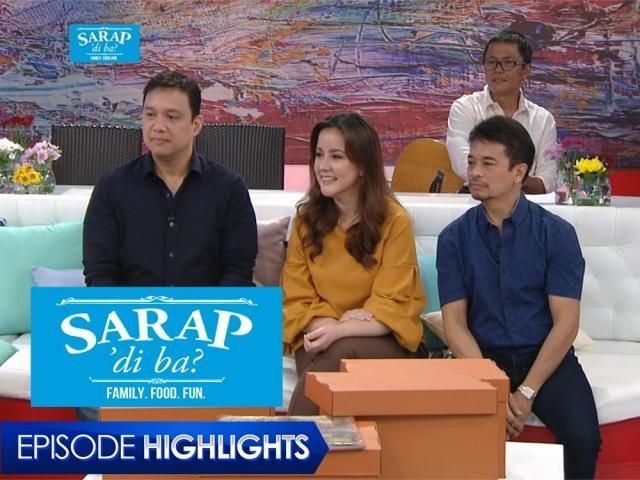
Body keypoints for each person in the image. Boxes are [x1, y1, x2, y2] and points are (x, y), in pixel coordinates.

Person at [437, 116, 600, 479]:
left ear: (518, 172)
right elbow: (455, 324)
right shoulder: (453, 239)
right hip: (481, 358)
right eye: (471, 162)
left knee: (583, 439)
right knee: (453, 437)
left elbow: (566, 323)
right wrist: (493, 388)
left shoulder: (556, 234)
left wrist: (526, 391)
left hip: (544, 358)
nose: (474, 173)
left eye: (487, 163)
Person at [282, 113, 425, 415]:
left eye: (336, 157)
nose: (322, 166)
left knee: (337, 353)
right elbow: (296, 297)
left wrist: (340, 331)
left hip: (382, 339)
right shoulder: (306, 221)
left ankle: (290, 443)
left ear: (362, 166)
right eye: (319, 155)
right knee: (324, 357)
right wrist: (331, 327)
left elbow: (393, 301)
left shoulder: (394, 221)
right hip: (319, 331)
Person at [83, 70, 258, 287]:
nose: (158, 127)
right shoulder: (111, 188)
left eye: (171, 117)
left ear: (196, 125)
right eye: (150, 115)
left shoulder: (229, 188)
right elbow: (99, 273)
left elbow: (238, 270)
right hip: (131, 308)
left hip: (208, 308)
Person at [446, 29, 557, 194]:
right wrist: (513, 178)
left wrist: (506, 181)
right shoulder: (465, 108)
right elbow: (463, 163)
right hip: (476, 200)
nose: (498, 69)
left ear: (526, 69)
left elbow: (548, 180)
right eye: (491, 62)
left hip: (525, 203)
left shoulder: (543, 120)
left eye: (508, 63)